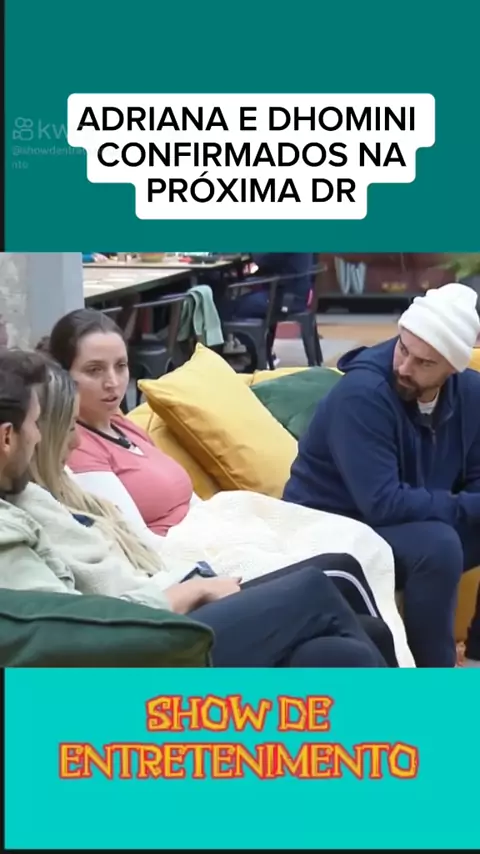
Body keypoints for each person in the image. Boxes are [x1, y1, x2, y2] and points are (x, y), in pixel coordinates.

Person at [40, 308, 415, 667]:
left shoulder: (120, 424)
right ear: (62, 378)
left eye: (120, 366)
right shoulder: (76, 456)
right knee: (336, 574)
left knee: (351, 628)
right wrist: (202, 572)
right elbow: (137, 546)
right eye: (94, 370)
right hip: (182, 569)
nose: (112, 382)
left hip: (205, 536)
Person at [283, 282, 480, 669]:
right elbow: (382, 502)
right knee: (437, 546)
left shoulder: (471, 394)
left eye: (425, 363)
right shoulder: (363, 394)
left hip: (404, 524)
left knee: (438, 538)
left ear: (453, 368)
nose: (404, 368)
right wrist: (470, 507)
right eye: (403, 349)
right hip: (328, 529)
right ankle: (432, 682)